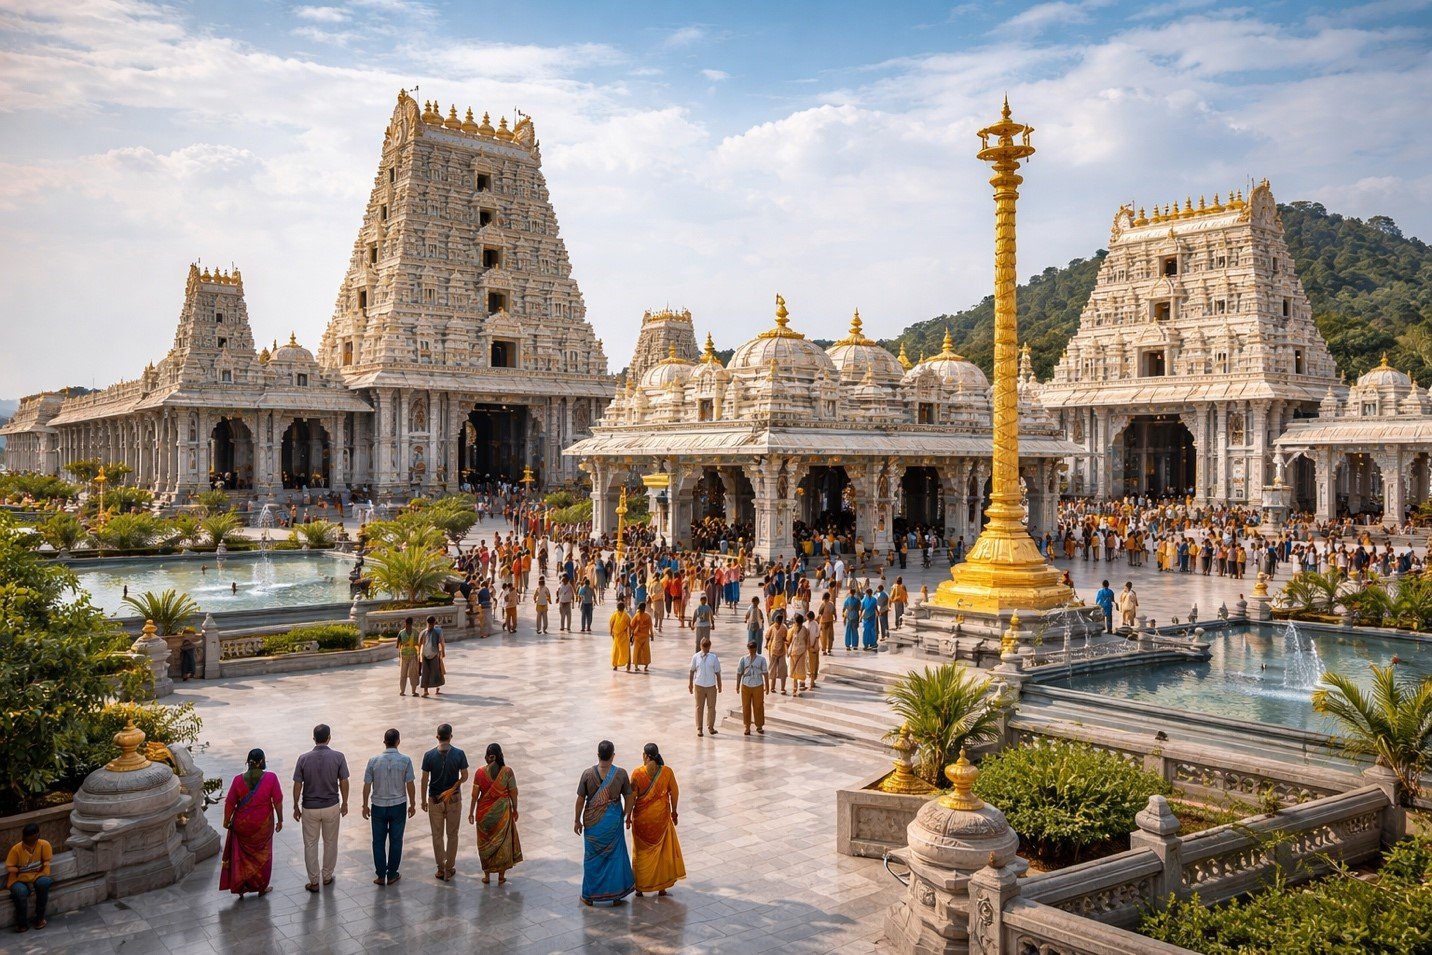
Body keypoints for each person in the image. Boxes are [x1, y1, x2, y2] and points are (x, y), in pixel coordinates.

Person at [574, 740, 635, 906]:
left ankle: (589, 896)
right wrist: (624, 814)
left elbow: (580, 800)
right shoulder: (621, 774)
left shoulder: (587, 774)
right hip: (613, 821)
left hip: (592, 825)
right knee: (614, 856)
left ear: (598, 755)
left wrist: (576, 821)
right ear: (613, 756)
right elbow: (629, 797)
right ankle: (616, 895)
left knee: (592, 858)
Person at [292, 724, 350, 893]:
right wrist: (345, 802)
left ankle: (314, 881)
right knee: (331, 842)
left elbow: (297, 785)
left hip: (310, 808)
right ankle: (327, 875)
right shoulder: (338, 757)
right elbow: (344, 781)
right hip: (331, 805)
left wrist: (296, 806)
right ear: (329, 738)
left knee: (310, 844)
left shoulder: (303, 759)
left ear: (313, 739)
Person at [219, 749, 282, 898]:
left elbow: (229, 803)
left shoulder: (237, 780)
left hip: (242, 826)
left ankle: (241, 888)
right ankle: (261, 887)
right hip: (263, 826)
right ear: (262, 761)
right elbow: (277, 801)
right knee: (263, 856)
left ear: (248, 762)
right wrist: (280, 819)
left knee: (241, 857)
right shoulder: (271, 778)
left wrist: (226, 821)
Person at [627, 743, 686, 897]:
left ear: (645, 756)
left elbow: (632, 798)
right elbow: (675, 793)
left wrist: (627, 817)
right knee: (662, 852)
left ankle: (640, 887)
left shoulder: (637, 773)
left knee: (640, 853)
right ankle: (662, 887)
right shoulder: (666, 772)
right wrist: (674, 812)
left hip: (642, 822)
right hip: (661, 819)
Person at [361, 728, 415, 887]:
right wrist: (413, 804)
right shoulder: (405, 760)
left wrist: (365, 805)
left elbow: (367, 785)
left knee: (378, 841)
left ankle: (380, 875)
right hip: (398, 805)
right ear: (398, 741)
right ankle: (392, 874)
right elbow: (410, 784)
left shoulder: (373, 761)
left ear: (384, 742)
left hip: (378, 805)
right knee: (396, 840)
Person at [421, 723, 470, 881]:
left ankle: (440, 868)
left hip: (434, 799)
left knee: (437, 835)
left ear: (437, 737)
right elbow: (465, 775)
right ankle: (449, 868)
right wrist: (457, 784)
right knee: (452, 834)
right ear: (451, 736)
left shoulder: (428, 755)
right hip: (454, 798)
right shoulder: (459, 754)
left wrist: (423, 800)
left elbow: (424, 779)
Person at [469, 743, 521, 884]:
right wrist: (515, 809)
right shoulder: (508, 772)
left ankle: (486, 876)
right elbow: (513, 793)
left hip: (483, 815)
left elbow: (474, 796)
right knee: (502, 844)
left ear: (487, 757)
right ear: (500, 756)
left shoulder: (479, 772)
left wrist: (471, 813)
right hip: (502, 815)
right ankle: (501, 876)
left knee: (485, 844)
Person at [6, 823, 52, 932]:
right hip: (18, 879)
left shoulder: (44, 845)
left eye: (32, 838)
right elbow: (9, 867)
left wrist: (44, 871)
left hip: (38, 875)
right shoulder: (16, 849)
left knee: (44, 883)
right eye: (26, 840)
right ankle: (22, 924)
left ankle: (39, 919)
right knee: (20, 892)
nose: (29, 842)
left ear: (37, 836)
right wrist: (19, 870)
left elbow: (47, 861)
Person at [688, 635, 722, 737]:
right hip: (699, 685)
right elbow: (692, 670)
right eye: (704, 646)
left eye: (707, 646)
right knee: (699, 707)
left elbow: (717, 672)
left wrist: (719, 684)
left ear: (710, 646)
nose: (705, 648)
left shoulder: (713, 657)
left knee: (711, 707)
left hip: (711, 685)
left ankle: (711, 727)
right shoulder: (696, 657)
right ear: (700, 646)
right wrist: (690, 683)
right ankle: (699, 728)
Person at [736, 639, 768, 735]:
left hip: (758, 684)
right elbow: (739, 673)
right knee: (746, 706)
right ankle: (747, 726)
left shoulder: (761, 659)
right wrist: (737, 685)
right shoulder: (743, 659)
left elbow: (765, 673)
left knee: (758, 705)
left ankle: (759, 725)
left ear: (756, 648)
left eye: (753, 649)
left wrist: (767, 685)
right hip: (746, 684)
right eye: (750, 649)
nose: (751, 650)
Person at [419, 615, 445, 697]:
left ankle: (437, 688)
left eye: (431, 624)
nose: (430, 625)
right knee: (426, 673)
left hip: (434, 655)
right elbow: (420, 643)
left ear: (433, 623)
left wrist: (442, 652)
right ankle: (426, 691)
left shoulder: (437, 632)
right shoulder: (424, 632)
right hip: (426, 655)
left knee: (436, 672)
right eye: (429, 624)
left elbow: (441, 642)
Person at [396, 616, 420, 697]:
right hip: (413, 655)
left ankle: (402, 691)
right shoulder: (416, 632)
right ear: (412, 623)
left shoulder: (401, 633)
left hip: (404, 655)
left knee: (403, 674)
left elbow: (397, 645)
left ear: (405, 623)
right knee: (413, 674)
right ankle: (413, 692)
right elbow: (418, 644)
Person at [765, 612, 789, 694]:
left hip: (781, 651)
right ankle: (772, 687)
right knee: (773, 670)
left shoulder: (784, 628)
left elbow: (786, 638)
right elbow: (768, 637)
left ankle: (782, 688)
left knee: (782, 670)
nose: (778, 622)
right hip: (773, 651)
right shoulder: (773, 627)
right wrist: (766, 644)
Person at [787, 612, 808, 697]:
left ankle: (794, 688)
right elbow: (807, 641)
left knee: (794, 670)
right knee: (801, 669)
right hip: (802, 652)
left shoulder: (792, 630)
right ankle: (801, 684)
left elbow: (788, 640)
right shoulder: (805, 630)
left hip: (793, 652)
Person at [631, 600, 654, 673]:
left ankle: (636, 666)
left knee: (637, 651)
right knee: (646, 651)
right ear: (645, 608)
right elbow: (650, 627)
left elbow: (631, 624)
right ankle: (646, 666)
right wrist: (652, 635)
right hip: (645, 636)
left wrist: (633, 631)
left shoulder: (637, 615)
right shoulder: (648, 616)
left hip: (637, 636)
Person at [610, 598, 632, 672]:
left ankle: (615, 665)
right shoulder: (626, 615)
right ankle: (627, 665)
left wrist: (611, 632)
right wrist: (630, 635)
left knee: (616, 651)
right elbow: (630, 625)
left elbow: (611, 623)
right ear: (624, 608)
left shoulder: (615, 614)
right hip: (623, 636)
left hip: (617, 635)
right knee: (626, 650)